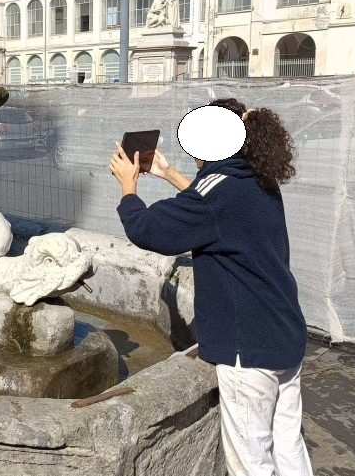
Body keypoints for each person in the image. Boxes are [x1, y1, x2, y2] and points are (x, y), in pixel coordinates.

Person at [109, 98, 312, 476]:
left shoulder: (217, 192)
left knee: (251, 463)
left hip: (248, 351)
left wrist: (128, 186)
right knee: (288, 447)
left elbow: (149, 230)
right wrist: (169, 173)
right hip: (285, 336)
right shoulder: (255, 178)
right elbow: (214, 209)